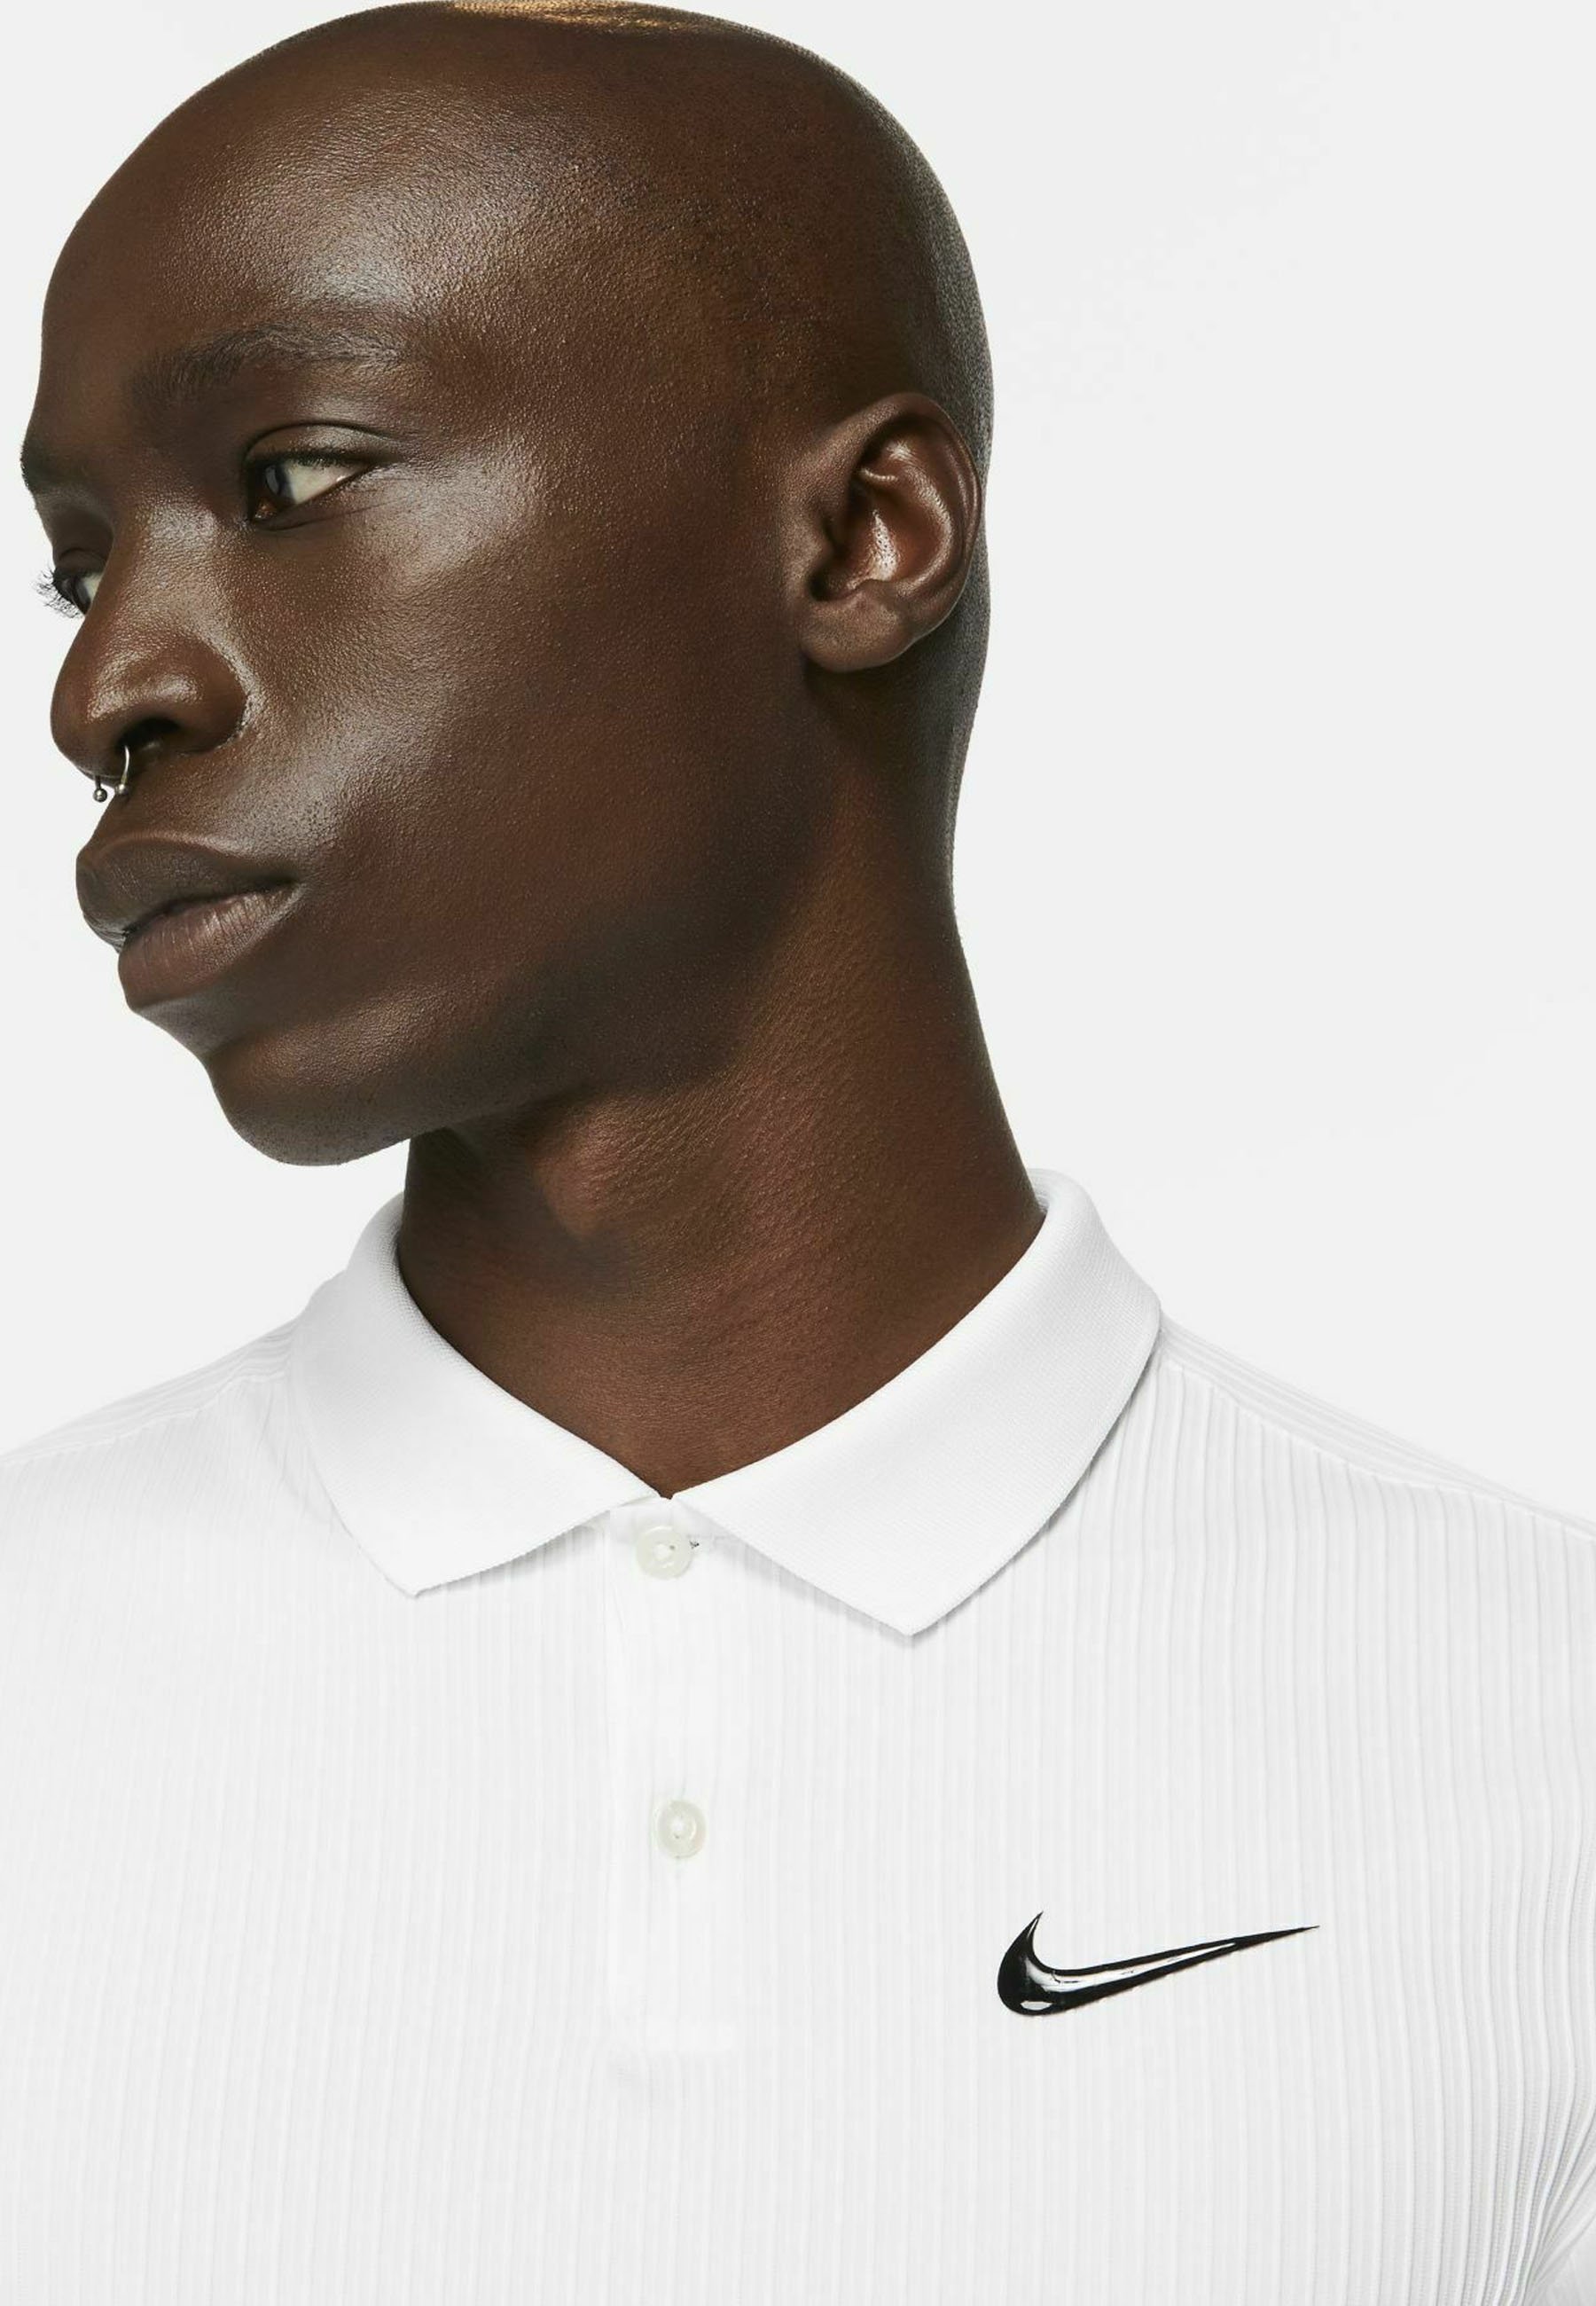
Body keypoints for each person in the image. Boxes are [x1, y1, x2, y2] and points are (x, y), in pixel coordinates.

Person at [6, 2, 1593, 2298]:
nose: (108, 688)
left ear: (865, 539)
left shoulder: (1539, 1759)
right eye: (79, 566)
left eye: (295, 477)